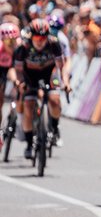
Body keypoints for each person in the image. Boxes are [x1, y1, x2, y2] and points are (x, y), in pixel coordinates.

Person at [13, 18, 70, 158]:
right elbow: (18, 69)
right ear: (31, 36)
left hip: (49, 73)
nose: (40, 41)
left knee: (55, 99)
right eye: (37, 37)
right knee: (28, 105)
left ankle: (55, 128)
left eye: (43, 37)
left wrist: (66, 82)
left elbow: (61, 67)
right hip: (29, 75)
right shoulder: (23, 47)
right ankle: (28, 143)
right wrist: (20, 82)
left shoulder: (54, 44)